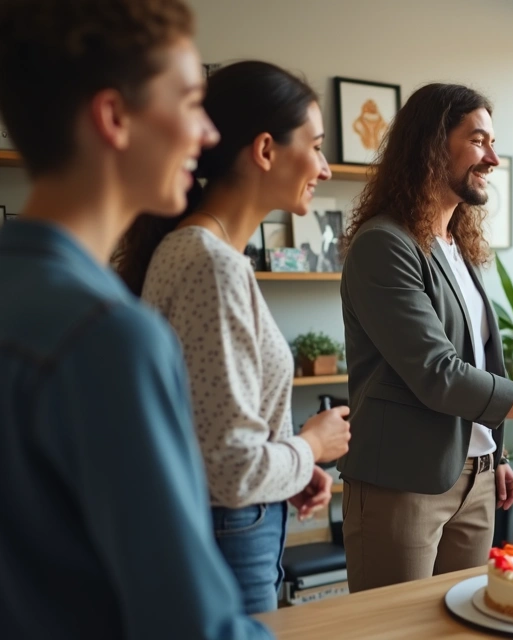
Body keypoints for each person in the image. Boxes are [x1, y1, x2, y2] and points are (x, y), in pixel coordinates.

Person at [0, 0, 270, 637]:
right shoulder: (107, 338)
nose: (206, 134)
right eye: (189, 101)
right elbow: (191, 624)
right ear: (114, 117)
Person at [338, 83, 513, 591]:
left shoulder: (457, 245)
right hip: (404, 483)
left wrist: (493, 453)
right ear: (433, 146)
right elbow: (440, 375)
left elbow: (479, 362)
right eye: (479, 141)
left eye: (493, 143)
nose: (493, 159)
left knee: (463, 627)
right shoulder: (383, 245)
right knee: (397, 632)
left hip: (479, 480)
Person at [114, 60, 353, 614]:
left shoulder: (202, 252)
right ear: (265, 150)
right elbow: (231, 469)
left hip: (232, 523)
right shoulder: (210, 264)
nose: (322, 167)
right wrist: (311, 444)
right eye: (315, 146)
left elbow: (210, 437)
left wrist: (291, 472)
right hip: (230, 534)